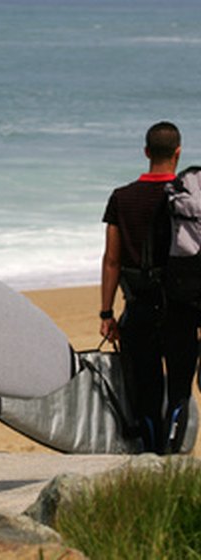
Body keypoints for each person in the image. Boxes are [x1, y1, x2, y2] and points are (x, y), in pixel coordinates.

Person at [100, 121, 199, 454]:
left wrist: (106, 312)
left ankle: (151, 458)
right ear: (178, 152)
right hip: (182, 310)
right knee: (180, 392)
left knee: (146, 393)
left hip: (139, 308)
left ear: (146, 152)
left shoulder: (122, 198)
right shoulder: (190, 200)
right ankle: (176, 458)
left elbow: (111, 261)